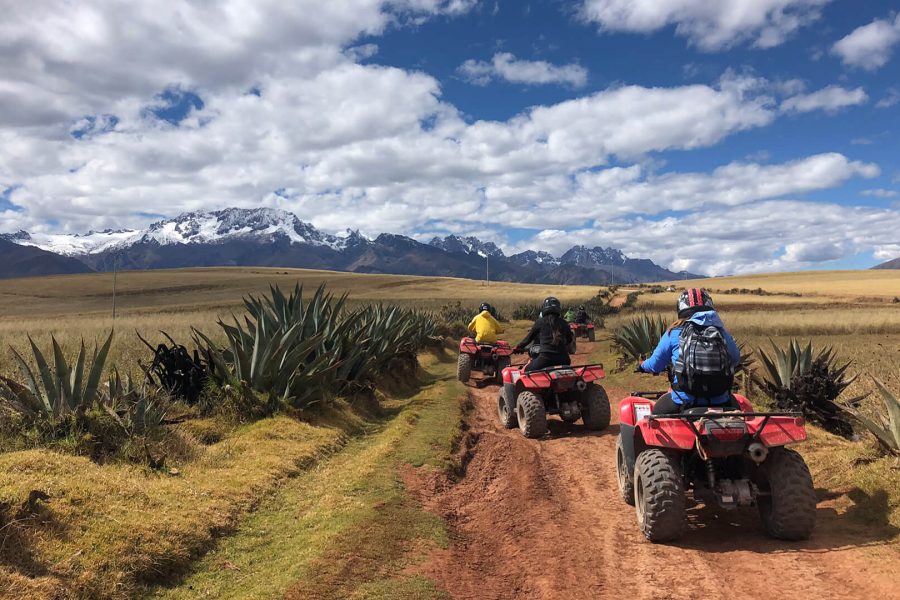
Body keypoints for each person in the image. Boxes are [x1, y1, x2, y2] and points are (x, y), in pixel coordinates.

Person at [636, 288, 741, 415]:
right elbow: (735, 359)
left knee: (654, 419)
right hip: (721, 401)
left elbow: (655, 365)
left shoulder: (674, 333)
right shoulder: (721, 332)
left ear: (681, 309)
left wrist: (642, 366)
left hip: (683, 401)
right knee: (742, 415)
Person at [514, 297, 574, 372]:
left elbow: (528, 339)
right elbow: (569, 340)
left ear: (544, 308)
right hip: (564, 360)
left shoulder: (540, 322)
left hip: (545, 360)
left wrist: (518, 347)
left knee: (525, 372)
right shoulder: (564, 323)